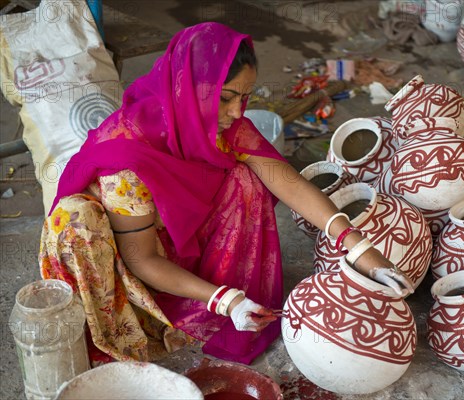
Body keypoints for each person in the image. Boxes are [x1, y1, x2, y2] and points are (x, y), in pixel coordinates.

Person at [39, 22, 413, 366]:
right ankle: (183, 306)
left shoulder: (213, 125)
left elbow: (288, 182)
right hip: (122, 257)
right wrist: (226, 300)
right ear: (186, 89)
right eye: (225, 97)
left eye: (244, 97)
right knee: (76, 221)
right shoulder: (128, 158)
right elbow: (142, 259)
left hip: (169, 230)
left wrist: (361, 249)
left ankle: (215, 291)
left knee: (247, 180)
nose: (236, 112)